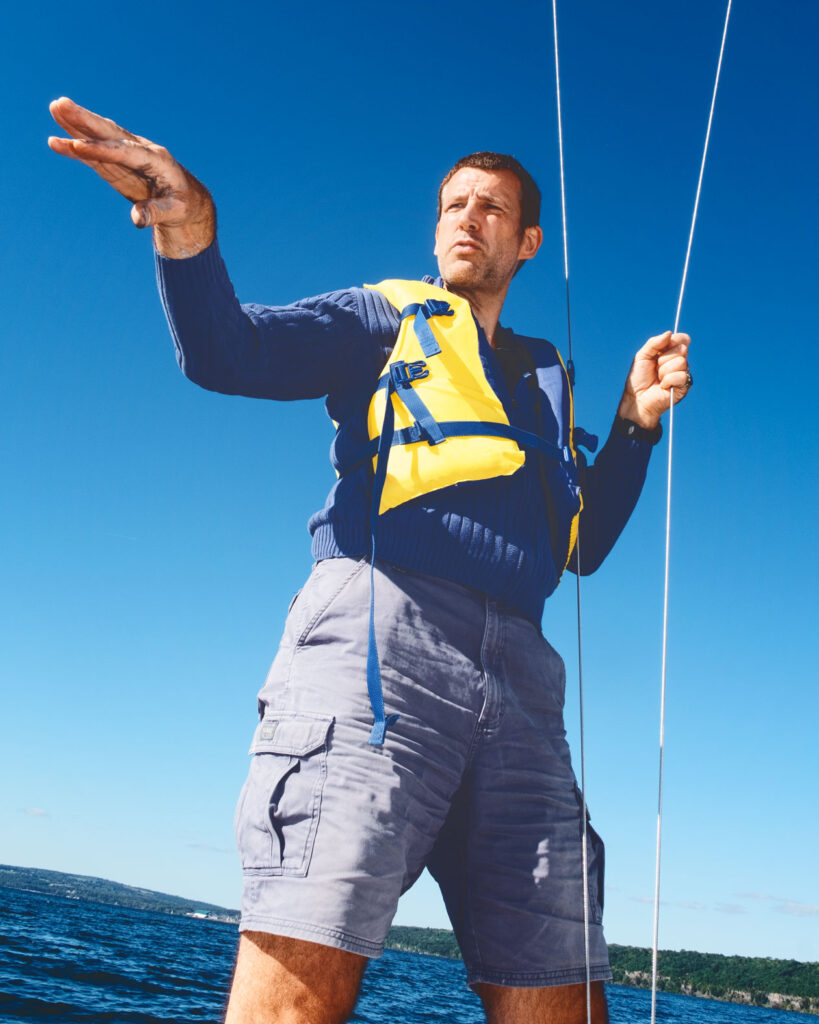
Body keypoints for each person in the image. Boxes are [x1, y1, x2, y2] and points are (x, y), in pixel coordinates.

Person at [49, 96, 692, 1024]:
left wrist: (634, 426)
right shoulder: (382, 316)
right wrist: (188, 232)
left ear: (528, 244)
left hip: (524, 682)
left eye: (491, 209)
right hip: (381, 636)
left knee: (562, 992)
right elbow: (229, 351)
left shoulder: (546, 381)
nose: (466, 219)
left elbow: (581, 545)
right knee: (309, 950)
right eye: (452, 206)